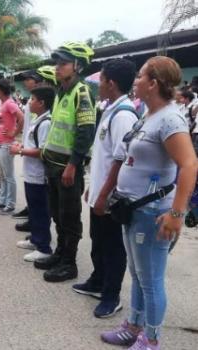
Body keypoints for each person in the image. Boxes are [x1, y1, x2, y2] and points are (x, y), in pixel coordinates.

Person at [101, 56, 198, 350]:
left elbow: (190, 164)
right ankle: (133, 326)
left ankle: (151, 339)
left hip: (153, 212)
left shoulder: (170, 118)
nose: (136, 80)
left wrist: (177, 213)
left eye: (141, 76)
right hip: (133, 209)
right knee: (138, 273)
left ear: (153, 83)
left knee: (151, 279)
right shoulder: (149, 114)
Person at [73, 59, 139, 318]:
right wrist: (94, 186)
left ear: (111, 84)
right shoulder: (111, 109)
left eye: (100, 81)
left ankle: (111, 296)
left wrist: (104, 194)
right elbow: (104, 155)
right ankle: (97, 281)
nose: (97, 85)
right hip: (100, 190)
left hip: (111, 197)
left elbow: (121, 160)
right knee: (98, 241)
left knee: (113, 247)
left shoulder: (123, 115)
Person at [36, 42, 96, 283]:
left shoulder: (82, 92)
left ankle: (69, 263)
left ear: (78, 66)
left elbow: (85, 132)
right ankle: (60, 254)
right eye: (56, 63)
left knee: (69, 216)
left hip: (67, 168)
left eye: (62, 64)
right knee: (56, 214)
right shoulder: (62, 90)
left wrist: (73, 165)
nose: (57, 68)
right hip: (52, 164)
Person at [10, 87, 54, 262]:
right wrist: (22, 148)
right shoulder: (38, 120)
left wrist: (21, 152)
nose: (29, 102)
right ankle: (35, 239)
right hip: (31, 174)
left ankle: (44, 247)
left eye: (33, 99)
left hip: (39, 175)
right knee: (34, 210)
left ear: (42, 103)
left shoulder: (46, 123)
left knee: (40, 211)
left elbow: (42, 151)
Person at [13, 66, 57, 230]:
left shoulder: (45, 109)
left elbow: (42, 147)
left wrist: (21, 150)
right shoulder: (34, 104)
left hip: (37, 161)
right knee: (34, 198)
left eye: (29, 79)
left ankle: (39, 233)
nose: (25, 82)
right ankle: (34, 225)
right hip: (29, 147)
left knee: (40, 202)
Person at [0, 79, 23, 214]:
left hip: (6, 143)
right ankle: (2, 200)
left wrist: (14, 132)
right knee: (2, 174)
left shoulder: (10, 103)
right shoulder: (2, 103)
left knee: (8, 175)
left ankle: (10, 204)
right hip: (0, 143)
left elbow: (21, 117)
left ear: (0, 90)